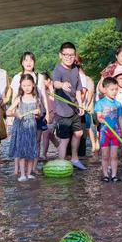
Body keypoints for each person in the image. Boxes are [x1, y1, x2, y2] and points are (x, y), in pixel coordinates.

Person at [10, 52, 50, 173]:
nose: (28, 63)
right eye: (25, 60)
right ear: (22, 63)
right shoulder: (17, 77)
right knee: (19, 142)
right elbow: (14, 97)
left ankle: (33, 168)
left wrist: (47, 112)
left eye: (31, 60)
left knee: (36, 141)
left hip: (37, 113)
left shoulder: (39, 77)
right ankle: (17, 169)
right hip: (21, 114)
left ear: (34, 62)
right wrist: (13, 114)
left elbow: (43, 95)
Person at [53, 42, 87, 170]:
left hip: (74, 109)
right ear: (60, 55)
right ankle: (61, 163)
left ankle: (74, 158)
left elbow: (78, 89)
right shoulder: (58, 69)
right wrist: (62, 85)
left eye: (71, 55)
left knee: (78, 133)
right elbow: (55, 83)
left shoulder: (75, 69)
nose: (69, 57)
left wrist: (81, 105)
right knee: (64, 139)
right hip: (62, 111)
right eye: (66, 55)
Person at [7, 74, 41, 181]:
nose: (26, 88)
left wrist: (38, 113)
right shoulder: (19, 99)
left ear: (33, 86)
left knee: (31, 150)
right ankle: (22, 174)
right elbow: (8, 112)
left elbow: (38, 114)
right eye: (24, 85)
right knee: (22, 151)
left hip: (31, 128)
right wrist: (15, 114)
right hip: (21, 128)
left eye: (29, 85)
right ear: (21, 86)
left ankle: (29, 173)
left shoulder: (36, 99)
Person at [94, 77, 122, 182]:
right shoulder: (100, 103)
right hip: (104, 133)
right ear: (105, 89)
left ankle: (114, 175)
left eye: (116, 89)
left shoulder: (118, 104)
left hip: (116, 133)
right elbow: (98, 116)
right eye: (112, 89)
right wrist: (100, 119)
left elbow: (120, 119)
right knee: (105, 155)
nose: (114, 92)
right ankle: (106, 174)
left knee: (114, 155)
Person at [41, 71, 59, 158]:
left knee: (46, 133)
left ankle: (44, 154)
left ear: (48, 80)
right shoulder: (41, 90)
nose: (41, 83)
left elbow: (53, 101)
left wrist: (51, 87)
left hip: (53, 115)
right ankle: (60, 147)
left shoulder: (53, 90)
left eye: (43, 80)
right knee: (50, 135)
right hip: (45, 115)